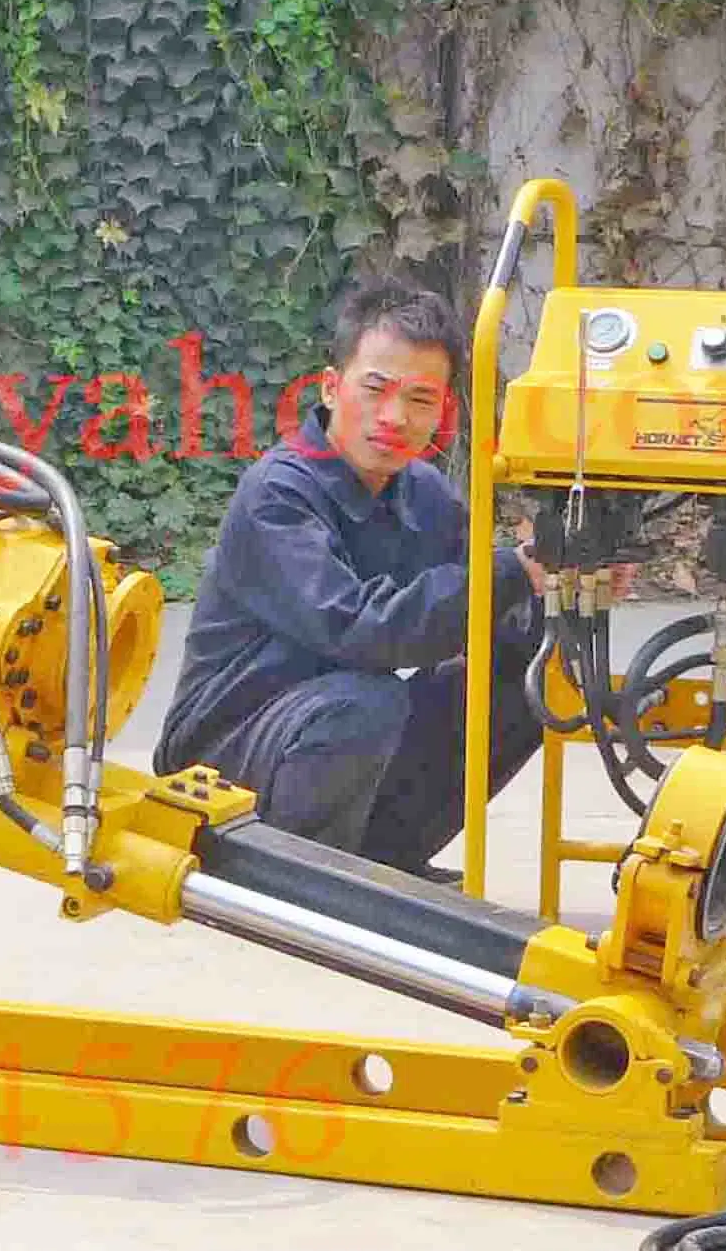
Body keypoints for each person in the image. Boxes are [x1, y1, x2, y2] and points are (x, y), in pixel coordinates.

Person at [154, 279, 544, 875]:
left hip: (329, 731)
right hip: (222, 755)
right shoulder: (278, 494)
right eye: (376, 389)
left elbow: (482, 597)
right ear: (332, 389)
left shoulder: (424, 494)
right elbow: (360, 628)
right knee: (367, 699)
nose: (394, 417)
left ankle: (379, 860)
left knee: (521, 677)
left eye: (420, 398)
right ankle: (299, 880)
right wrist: (509, 572)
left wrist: (556, 579)